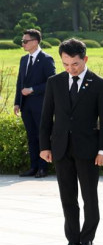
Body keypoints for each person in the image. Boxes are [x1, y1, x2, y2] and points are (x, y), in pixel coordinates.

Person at [39, 38, 103, 245]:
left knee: (89, 196)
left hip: (89, 151)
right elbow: (46, 118)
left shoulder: (99, 84)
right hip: (61, 149)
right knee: (67, 197)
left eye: (75, 64)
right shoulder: (55, 82)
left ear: (85, 59)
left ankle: (87, 240)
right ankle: (72, 241)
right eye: (66, 64)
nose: (70, 69)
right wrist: (45, 146)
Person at [14, 29, 56, 178]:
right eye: (22, 41)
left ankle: (43, 168)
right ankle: (33, 167)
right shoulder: (23, 59)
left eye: (25, 41)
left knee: (42, 136)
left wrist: (32, 89)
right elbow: (20, 82)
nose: (23, 44)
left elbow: (52, 83)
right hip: (26, 106)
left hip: (41, 105)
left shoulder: (46, 59)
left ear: (35, 41)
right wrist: (17, 102)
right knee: (31, 137)